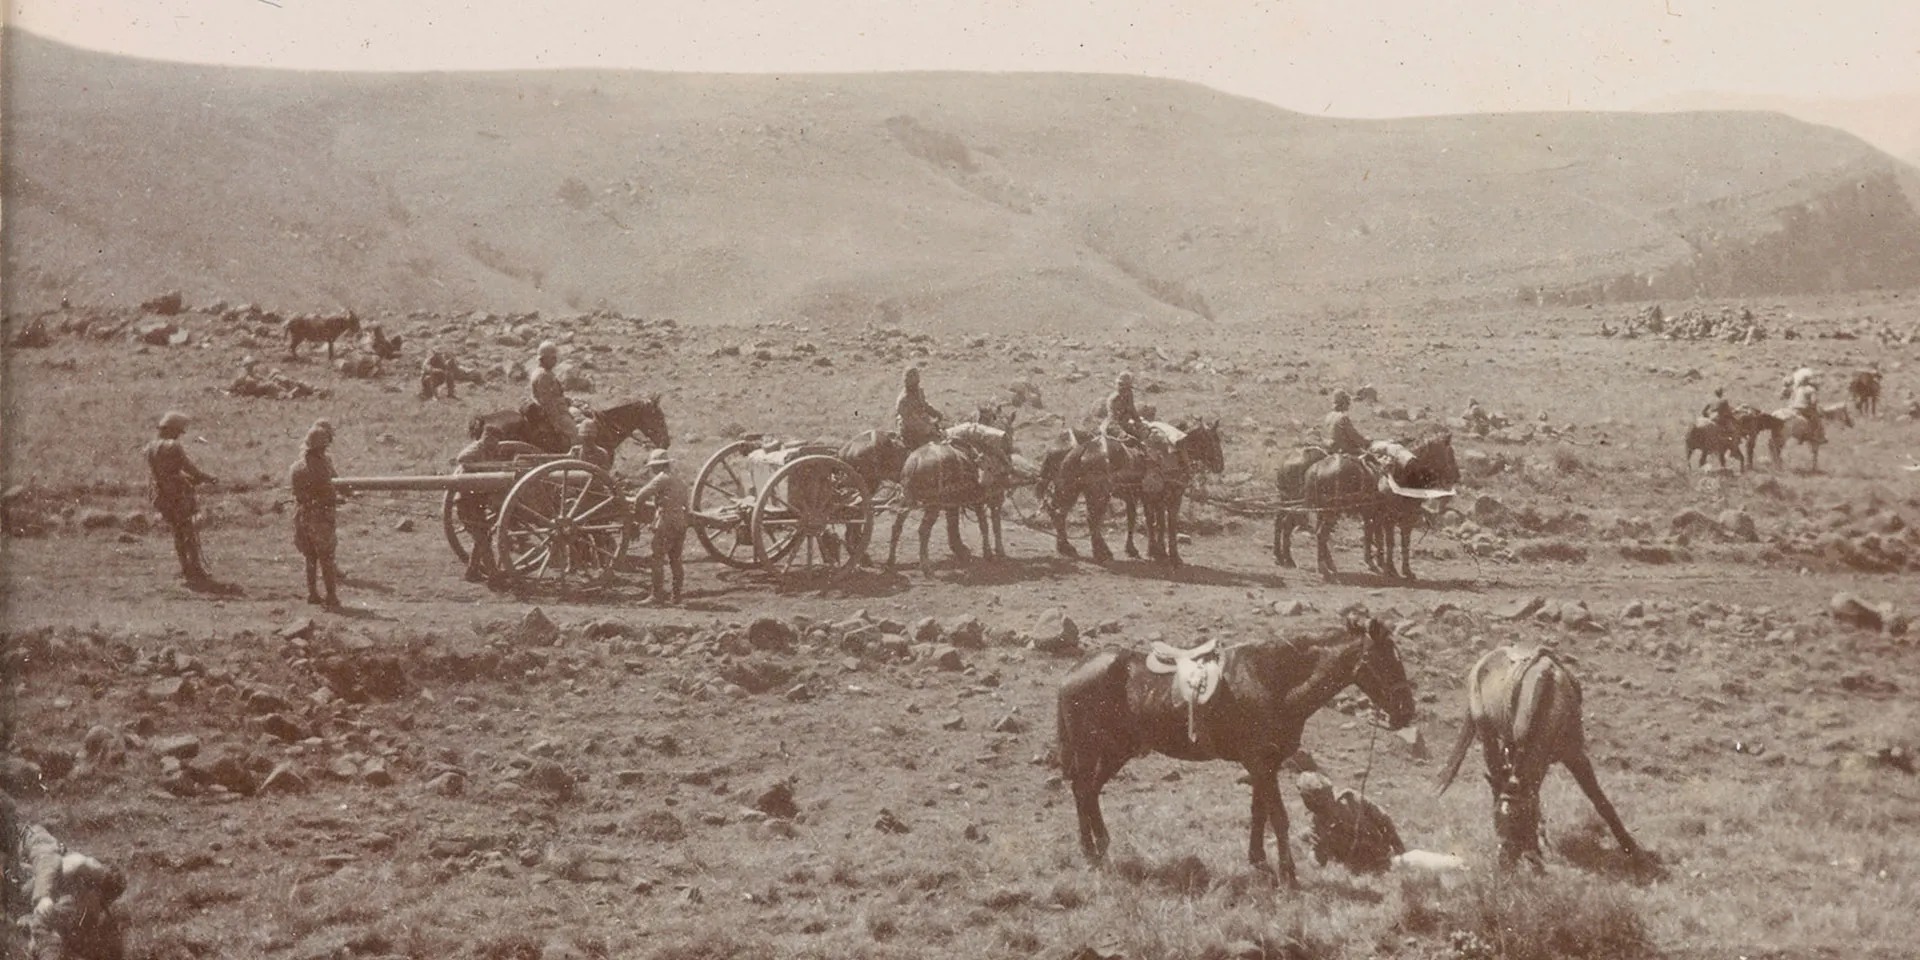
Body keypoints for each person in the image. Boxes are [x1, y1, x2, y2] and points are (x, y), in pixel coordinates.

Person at [6, 795, 127, 959]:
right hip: (23, 907)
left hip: (60, 897)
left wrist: (42, 897)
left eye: (7, 818)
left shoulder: (29, 835)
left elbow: (47, 859)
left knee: (70, 869)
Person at [144, 411, 216, 583]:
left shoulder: (149, 448)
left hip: (161, 495)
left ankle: (185, 568)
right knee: (188, 531)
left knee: (177, 532)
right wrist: (207, 478)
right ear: (172, 429)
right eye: (178, 431)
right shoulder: (173, 446)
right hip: (178, 494)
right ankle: (196, 570)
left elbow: (164, 473)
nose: (179, 435)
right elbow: (189, 468)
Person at [1296, 771, 1405, 875]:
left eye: (1323, 795)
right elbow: (1319, 862)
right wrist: (1315, 846)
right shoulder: (1318, 820)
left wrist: (1400, 850)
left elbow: (1384, 819)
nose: (1315, 803)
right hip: (1355, 867)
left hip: (1380, 857)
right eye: (1307, 799)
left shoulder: (1351, 799)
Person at [290, 420, 343, 608]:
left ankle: (312, 594)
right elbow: (329, 490)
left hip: (302, 516)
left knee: (310, 557)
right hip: (320, 517)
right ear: (323, 446)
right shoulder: (322, 467)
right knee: (327, 558)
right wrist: (339, 498)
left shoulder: (296, 467)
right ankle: (331, 596)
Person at [629, 449, 690, 606]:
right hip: (680, 523)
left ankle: (656, 595)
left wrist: (635, 513)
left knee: (657, 558)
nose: (652, 470)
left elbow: (641, 495)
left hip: (665, 523)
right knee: (675, 560)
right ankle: (676, 596)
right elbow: (686, 504)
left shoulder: (661, 479)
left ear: (658, 466)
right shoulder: (679, 480)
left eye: (653, 467)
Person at [453, 424, 503, 584]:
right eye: (494, 440)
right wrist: (482, 467)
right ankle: (494, 576)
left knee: (483, 538)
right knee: (482, 539)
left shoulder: (491, 451)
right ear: (486, 437)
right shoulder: (476, 448)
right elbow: (461, 458)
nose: (496, 444)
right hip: (465, 501)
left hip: (478, 501)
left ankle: (472, 572)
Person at [529, 341, 578, 451]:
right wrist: (557, 423)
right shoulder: (544, 375)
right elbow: (547, 402)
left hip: (559, 407)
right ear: (543, 359)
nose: (555, 361)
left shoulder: (542, 372)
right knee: (576, 434)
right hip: (555, 412)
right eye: (552, 358)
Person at [894, 367, 945, 449]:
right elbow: (909, 420)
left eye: (917, 380)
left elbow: (925, 405)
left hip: (923, 421)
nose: (917, 384)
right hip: (909, 429)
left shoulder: (919, 391)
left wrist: (936, 413)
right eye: (914, 381)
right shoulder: (903, 400)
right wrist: (927, 427)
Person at [1102, 372, 1155, 447]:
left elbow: (1132, 410)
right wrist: (1122, 433)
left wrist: (1139, 422)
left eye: (1127, 388)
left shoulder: (1129, 395)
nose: (1125, 390)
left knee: (1146, 434)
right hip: (1114, 426)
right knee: (1127, 441)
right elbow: (1113, 420)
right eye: (1121, 386)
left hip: (1126, 423)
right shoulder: (1113, 400)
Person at [1321, 390, 1370, 456]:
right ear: (1343, 402)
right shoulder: (1343, 417)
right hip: (1343, 450)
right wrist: (1366, 441)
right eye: (1348, 402)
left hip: (1329, 449)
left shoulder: (1328, 416)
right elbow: (1354, 435)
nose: (1349, 405)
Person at [1786, 367, 1823, 443]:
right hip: (1804, 409)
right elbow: (1813, 402)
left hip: (1793, 408)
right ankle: (1815, 436)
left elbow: (1791, 400)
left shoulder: (1796, 389)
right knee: (1816, 419)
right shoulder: (1811, 389)